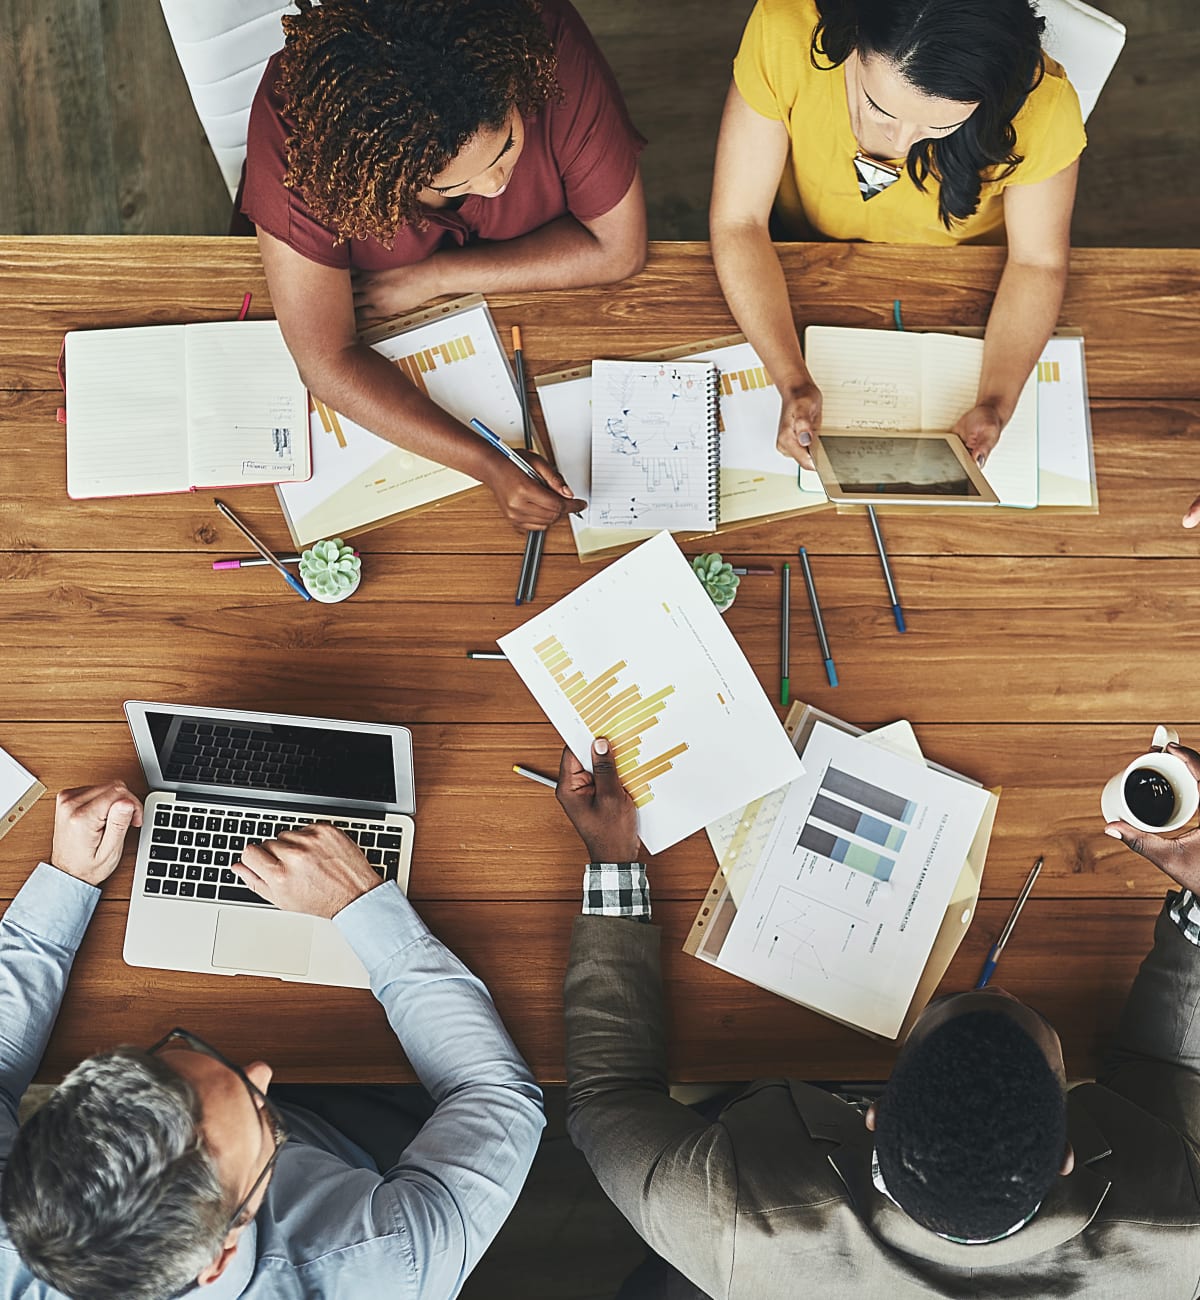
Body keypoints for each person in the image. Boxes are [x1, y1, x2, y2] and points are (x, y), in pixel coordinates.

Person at [556, 737, 1200, 1297]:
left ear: (873, 1111)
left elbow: (608, 1098)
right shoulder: (1180, 1233)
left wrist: (614, 864)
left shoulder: (726, 1218)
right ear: (1066, 1153)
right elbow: (1166, 1071)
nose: (1001, 991)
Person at [0, 782, 544, 1300]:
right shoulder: (380, 1266)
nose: (259, 1071)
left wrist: (69, 877)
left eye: (170, 1060)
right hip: (369, 1137)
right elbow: (494, 1093)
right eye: (257, 1116)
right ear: (219, 1257)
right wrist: (363, 903)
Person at [241, 0, 647, 534]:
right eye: (452, 186)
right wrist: (488, 465)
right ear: (380, 170)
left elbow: (619, 251)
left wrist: (436, 279)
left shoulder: (540, 45)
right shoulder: (306, 129)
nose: (495, 184)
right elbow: (325, 362)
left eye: (506, 144)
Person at [709, 0, 1086, 473]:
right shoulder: (784, 28)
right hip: (801, 251)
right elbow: (738, 222)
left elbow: (1037, 262)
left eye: (941, 125)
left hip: (958, 279)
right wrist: (791, 380)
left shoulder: (1045, 107)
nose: (902, 141)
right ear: (853, 36)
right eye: (879, 107)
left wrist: (996, 400)